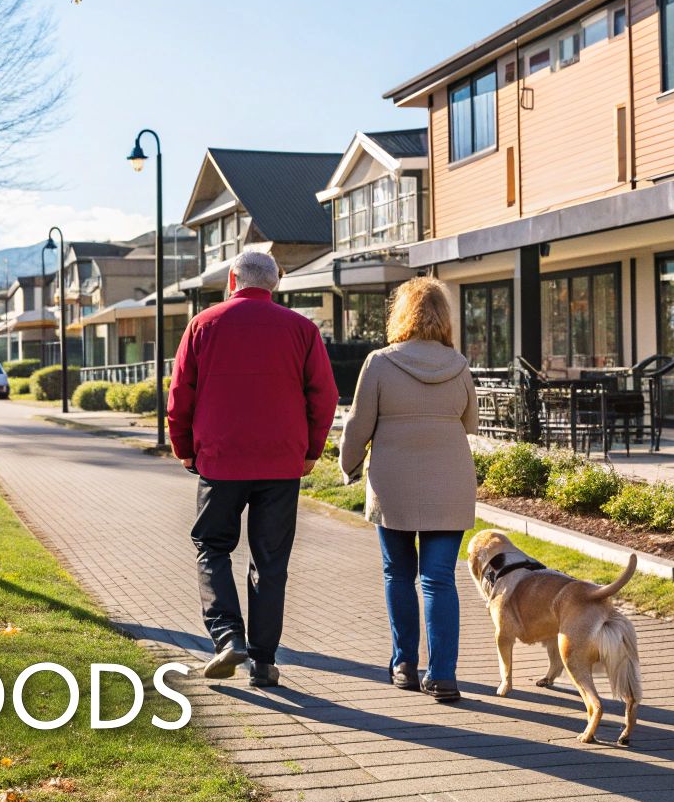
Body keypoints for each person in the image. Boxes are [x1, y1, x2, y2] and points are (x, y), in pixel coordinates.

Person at [169, 250, 338, 687]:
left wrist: (184, 448)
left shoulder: (204, 324)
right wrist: (311, 451)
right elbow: (324, 395)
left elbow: (180, 393)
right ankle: (263, 661)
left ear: (232, 279)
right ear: (275, 283)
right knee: (270, 560)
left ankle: (227, 637)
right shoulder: (302, 329)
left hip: (221, 459)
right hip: (282, 462)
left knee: (212, 545)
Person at [338, 277, 479, 702]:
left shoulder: (380, 363)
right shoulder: (459, 365)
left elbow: (358, 425)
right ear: (444, 317)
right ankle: (444, 675)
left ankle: (404, 664)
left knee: (398, 574)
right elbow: (470, 424)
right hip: (450, 482)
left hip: (393, 484)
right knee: (439, 579)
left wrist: (348, 465)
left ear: (402, 314)